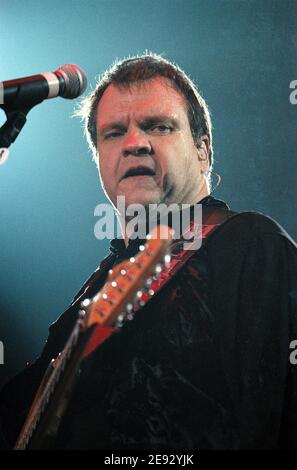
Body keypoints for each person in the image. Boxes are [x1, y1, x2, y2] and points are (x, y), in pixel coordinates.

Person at [0, 54, 296, 450]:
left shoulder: (251, 246)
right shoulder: (89, 296)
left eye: (158, 126)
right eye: (114, 133)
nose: (135, 144)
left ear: (203, 150)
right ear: (100, 160)